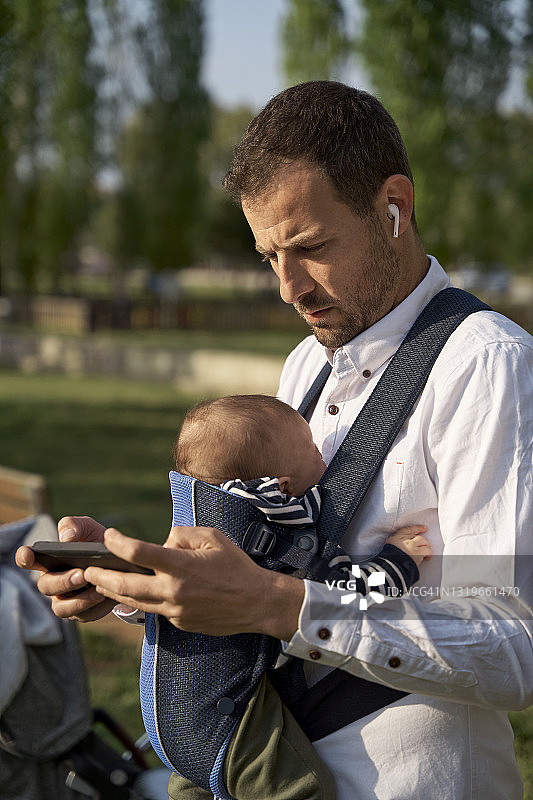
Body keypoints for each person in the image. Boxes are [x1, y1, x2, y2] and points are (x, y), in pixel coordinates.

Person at [16, 81, 533, 800]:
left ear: (394, 207)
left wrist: (278, 607)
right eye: (267, 257)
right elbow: (263, 562)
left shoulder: (487, 365)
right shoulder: (304, 366)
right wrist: (140, 584)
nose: (288, 288)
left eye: (309, 247)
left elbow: (515, 650)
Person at [124, 392, 431, 800]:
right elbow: (345, 592)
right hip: (231, 722)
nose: (323, 453)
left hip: (172, 725)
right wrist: (399, 560)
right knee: (301, 791)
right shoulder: (268, 543)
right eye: (310, 447)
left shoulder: (202, 528)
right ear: (280, 487)